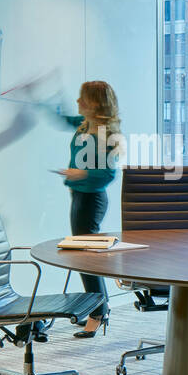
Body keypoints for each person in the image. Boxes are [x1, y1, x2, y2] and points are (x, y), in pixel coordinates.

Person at [55, 80, 122, 338]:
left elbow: (106, 174)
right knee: (84, 256)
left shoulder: (104, 134)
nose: (78, 102)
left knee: (84, 257)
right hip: (81, 197)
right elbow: (62, 120)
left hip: (90, 200)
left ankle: (97, 313)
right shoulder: (86, 125)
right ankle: (99, 309)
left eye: (82, 98)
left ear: (94, 103)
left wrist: (80, 173)